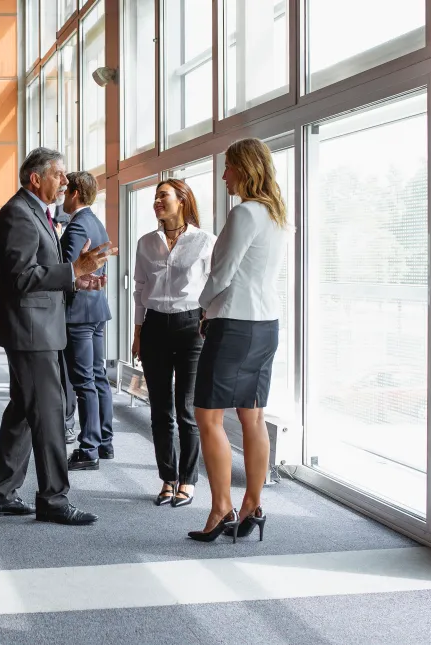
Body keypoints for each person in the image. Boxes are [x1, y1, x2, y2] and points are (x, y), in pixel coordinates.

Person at [0, 147, 116, 526]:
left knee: (24, 412)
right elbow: (22, 277)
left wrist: (76, 277)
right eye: (59, 175)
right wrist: (73, 268)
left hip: (37, 327)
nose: (65, 182)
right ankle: (54, 500)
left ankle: (1, 493)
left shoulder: (33, 212)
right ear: (35, 178)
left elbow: (41, 272)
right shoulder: (19, 215)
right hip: (32, 331)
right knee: (49, 413)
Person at [189, 138, 288, 543]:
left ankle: (220, 509)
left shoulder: (245, 213)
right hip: (266, 325)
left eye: (229, 167)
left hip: (235, 325)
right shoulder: (277, 214)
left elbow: (223, 273)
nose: (225, 175)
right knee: (253, 416)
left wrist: (201, 307)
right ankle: (252, 504)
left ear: (245, 168)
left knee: (208, 416)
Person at [133, 179, 215, 508]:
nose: (157, 202)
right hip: (154, 325)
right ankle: (167, 477)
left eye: (163, 196)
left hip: (191, 326)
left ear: (182, 200)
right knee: (160, 410)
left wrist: (210, 324)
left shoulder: (205, 241)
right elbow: (139, 290)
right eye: (154, 197)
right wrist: (137, 333)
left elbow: (214, 286)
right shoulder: (146, 243)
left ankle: (189, 479)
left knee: (187, 410)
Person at [61, 171, 114, 471]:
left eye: (65, 192)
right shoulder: (96, 222)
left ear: (76, 193)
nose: (62, 197)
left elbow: (71, 272)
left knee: (84, 382)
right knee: (97, 377)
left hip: (79, 312)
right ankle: (104, 441)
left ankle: (89, 448)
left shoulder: (77, 226)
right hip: (96, 310)